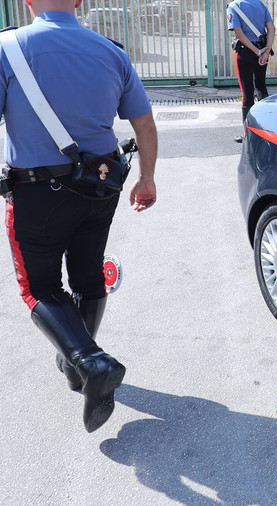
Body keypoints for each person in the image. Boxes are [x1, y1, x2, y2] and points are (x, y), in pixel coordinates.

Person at [0, 0, 158, 432]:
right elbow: (144, 124)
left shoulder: (9, 49)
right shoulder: (111, 51)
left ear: (27, 1)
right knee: (88, 276)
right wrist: (146, 179)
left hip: (37, 193)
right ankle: (76, 367)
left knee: (39, 287)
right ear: (80, 2)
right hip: (100, 186)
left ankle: (90, 361)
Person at [227, 0, 274, 142]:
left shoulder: (234, 6)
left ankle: (247, 134)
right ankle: (266, 131)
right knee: (261, 87)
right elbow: (272, 29)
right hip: (262, 49)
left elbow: (239, 33)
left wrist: (256, 51)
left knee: (247, 91)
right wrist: (266, 50)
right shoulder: (261, 5)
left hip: (245, 52)